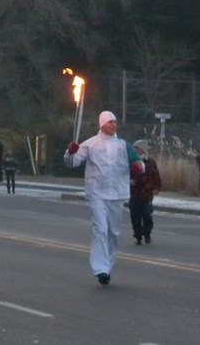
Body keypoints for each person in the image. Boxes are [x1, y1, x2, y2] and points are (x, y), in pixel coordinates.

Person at [64, 110, 144, 285]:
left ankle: (107, 266)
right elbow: (72, 163)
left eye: (114, 122)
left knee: (113, 232)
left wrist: (139, 167)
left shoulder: (123, 145)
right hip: (97, 193)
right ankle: (100, 269)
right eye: (110, 122)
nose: (113, 125)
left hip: (117, 193)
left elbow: (138, 161)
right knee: (100, 229)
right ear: (102, 124)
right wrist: (70, 153)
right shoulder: (90, 144)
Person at [129, 140, 162, 245]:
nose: (135, 150)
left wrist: (157, 187)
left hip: (147, 193)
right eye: (134, 148)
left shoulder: (150, 162)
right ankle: (138, 236)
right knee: (135, 216)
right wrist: (129, 181)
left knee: (147, 215)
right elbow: (124, 175)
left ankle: (147, 234)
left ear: (142, 149)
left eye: (137, 148)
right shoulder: (131, 162)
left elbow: (156, 175)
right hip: (135, 193)